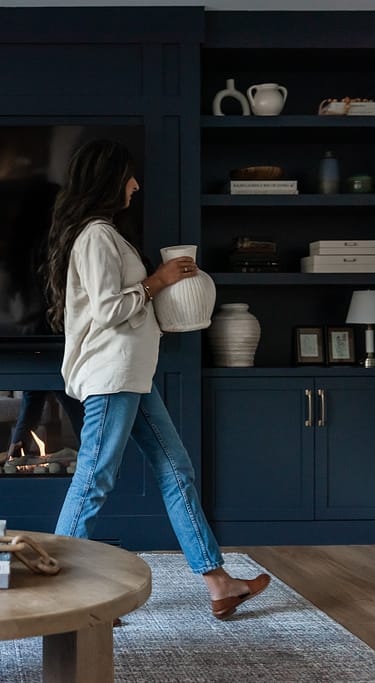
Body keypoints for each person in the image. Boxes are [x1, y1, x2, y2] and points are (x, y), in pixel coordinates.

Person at [43, 139, 270, 619]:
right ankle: (55, 592)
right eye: (128, 175)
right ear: (108, 179)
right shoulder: (96, 236)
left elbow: (126, 307)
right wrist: (158, 281)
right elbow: (108, 311)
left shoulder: (107, 236)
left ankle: (219, 583)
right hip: (112, 374)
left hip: (133, 374)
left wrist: (161, 293)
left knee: (176, 471)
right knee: (94, 478)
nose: (135, 184)